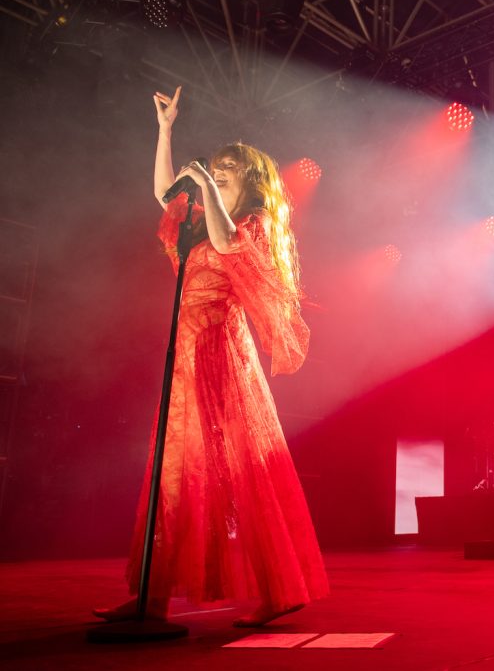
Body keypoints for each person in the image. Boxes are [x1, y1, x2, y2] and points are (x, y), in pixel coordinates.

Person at [94, 86, 328, 627]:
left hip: (221, 353)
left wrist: (206, 185)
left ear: (250, 181)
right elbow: (161, 193)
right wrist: (166, 130)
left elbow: (226, 246)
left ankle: (279, 591)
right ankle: (151, 598)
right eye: (216, 166)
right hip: (184, 351)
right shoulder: (197, 218)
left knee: (239, 469)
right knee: (172, 471)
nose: (218, 171)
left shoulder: (245, 224)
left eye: (229, 169)